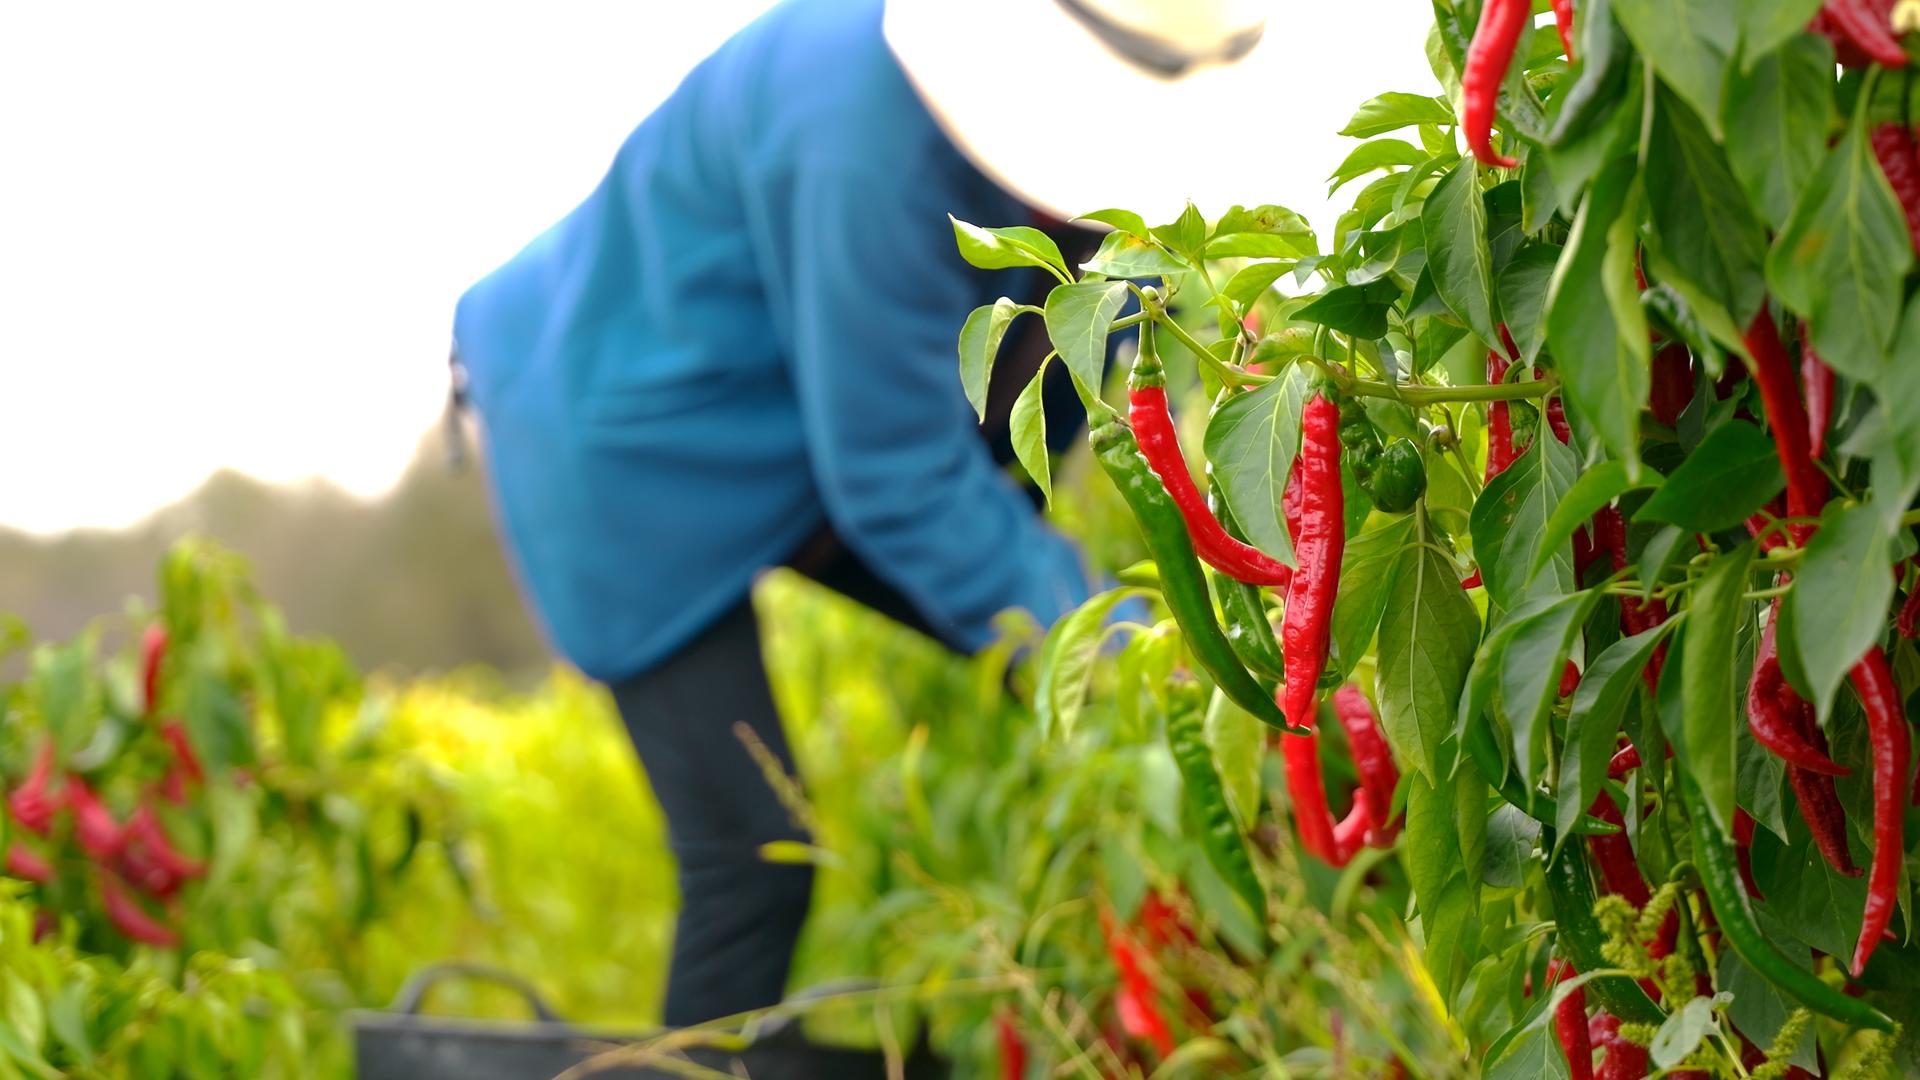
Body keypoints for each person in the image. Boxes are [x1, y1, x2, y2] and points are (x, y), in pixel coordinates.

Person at [450, 0, 1332, 1029]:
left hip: (794, 407)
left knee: (1087, 672)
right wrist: (1151, 654)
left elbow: (1110, 352)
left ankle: (1204, 983)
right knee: (753, 856)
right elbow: (897, 476)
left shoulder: (1035, 101)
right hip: (619, 432)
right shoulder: (854, 128)